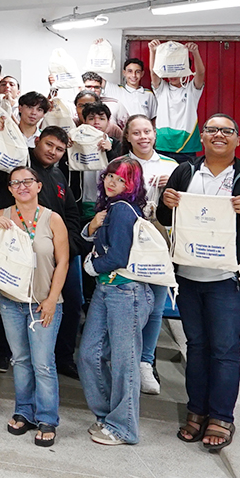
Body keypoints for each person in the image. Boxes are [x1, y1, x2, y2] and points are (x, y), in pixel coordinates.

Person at [157, 114, 240, 451]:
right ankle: (196, 409)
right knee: (196, 346)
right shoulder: (185, 172)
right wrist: (165, 205)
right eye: (211, 129)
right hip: (189, 278)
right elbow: (167, 219)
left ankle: (221, 416)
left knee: (224, 349)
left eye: (227, 131)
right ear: (203, 138)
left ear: (237, 140)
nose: (218, 135)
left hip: (230, 281)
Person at [0, 127, 85, 379]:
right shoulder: (21, 168)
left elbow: (71, 212)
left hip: (57, 252)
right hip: (18, 249)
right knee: (12, 296)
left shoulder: (59, 175)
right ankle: (1, 351)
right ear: (37, 142)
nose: (53, 152)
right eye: (49, 145)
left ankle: (63, 356)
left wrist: (70, 243)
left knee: (71, 302)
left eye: (59, 149)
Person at [0, 165, 69, 447]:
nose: (22, 186)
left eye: (27, 181)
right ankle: (24, 411)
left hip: (44, 303)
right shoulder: (3, 216)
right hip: (11, 302)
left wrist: (50, 300)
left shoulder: (53, 219)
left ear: (38, 186)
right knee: (20, 360)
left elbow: (63, 262)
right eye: (15, 183)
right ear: (9, 189)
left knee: (43, 363)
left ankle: (47, 417)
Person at [78, 157, 153, 445]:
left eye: (121, 179)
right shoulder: (110, 208)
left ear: (131, 185)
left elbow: (118, 256)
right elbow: (97, 242)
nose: (112, 182)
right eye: (110, 176)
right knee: (88, 354)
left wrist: (91, 268)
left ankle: (124, 428)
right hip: (107, 290)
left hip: (127, 293)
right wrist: (91, 229)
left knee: (125, 362)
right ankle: (107, 416)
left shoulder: (122, 210)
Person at [121, 114, 178, 394]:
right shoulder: (119, 166)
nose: (143, 136)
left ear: (154, 134)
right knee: (127, 302)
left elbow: (182, 208)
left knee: (155, 305)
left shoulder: (172, 165)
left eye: (148, 131)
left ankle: (145, 362)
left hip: (159, 241)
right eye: (137, 132)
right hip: (128, 242)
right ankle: (125, 360)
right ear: (128, 136)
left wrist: (172, 186)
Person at [148, 40, 205, 162]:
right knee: (163, 180)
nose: (172, 75)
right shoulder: (162, 89)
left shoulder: (192, 89)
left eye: (177, 70)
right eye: (170, 70)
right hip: (163, 144)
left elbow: (200, 73)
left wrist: (195, 52)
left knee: (186, 180)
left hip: (186, 145)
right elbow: (153, 73)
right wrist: (153, 52)